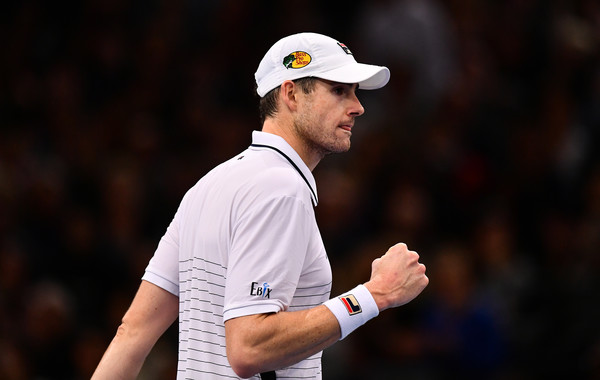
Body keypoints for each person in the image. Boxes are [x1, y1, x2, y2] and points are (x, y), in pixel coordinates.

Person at [92, 32, 429, 380]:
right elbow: (248, 348)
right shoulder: (281, 187)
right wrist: (373, 295)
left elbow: (131, 334)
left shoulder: (207, 186)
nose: (358, 106)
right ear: (292, 94)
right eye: (339, 90)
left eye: (355, 91)